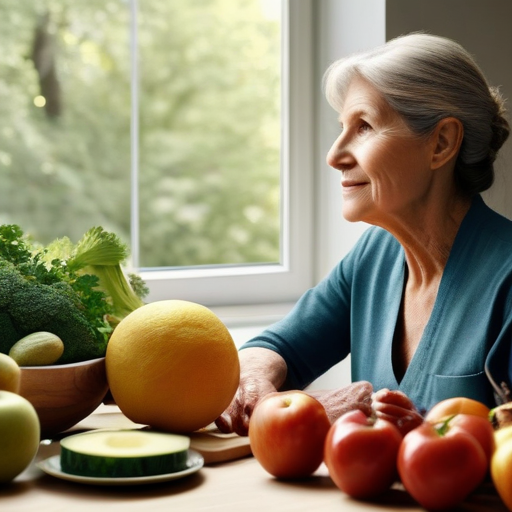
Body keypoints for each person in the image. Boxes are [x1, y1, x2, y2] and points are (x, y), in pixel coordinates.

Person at [215, 32, 512, 437]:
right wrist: (256, 383)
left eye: (365, 126)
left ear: (441, 143)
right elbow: (277, 348)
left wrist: (352, 419)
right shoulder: (375, 255)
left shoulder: (506, 278)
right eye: (342, 127)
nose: (334, 155)